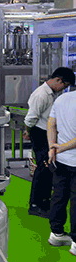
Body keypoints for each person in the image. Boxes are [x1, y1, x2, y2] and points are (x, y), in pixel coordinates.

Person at [24, 67, 75, 218]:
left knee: (48, 167)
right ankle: (35, 204)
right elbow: (30, 118)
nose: (64, 89)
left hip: (47, 133)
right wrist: (28, 131)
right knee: (43, 167)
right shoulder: (41, 95)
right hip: (39, 133)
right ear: (58, 80)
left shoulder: (54, 94)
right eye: (64, 86)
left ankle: (45, 202)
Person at [46, 86, 76, 256]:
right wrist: (61, 148)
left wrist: (52, 148)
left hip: (60, 160)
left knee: (59, 195)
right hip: (70, 157)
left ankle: (56, 234)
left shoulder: (62, 99)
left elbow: (51, 124)